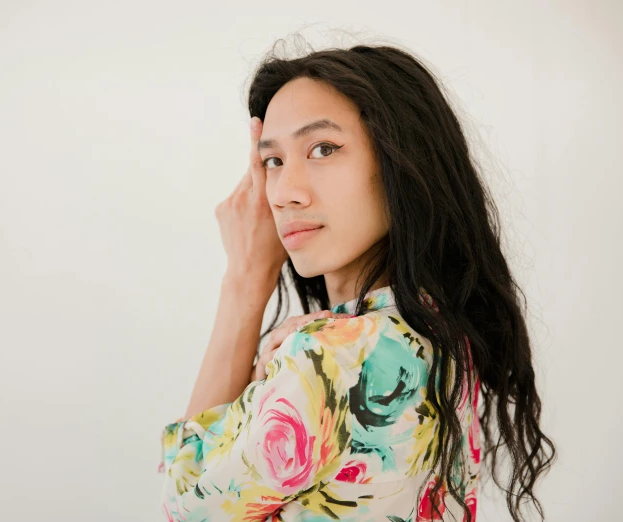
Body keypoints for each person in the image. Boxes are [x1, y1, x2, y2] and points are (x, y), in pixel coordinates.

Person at [157, 43, 556, 522]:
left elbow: (186, 507)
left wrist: (245, 281)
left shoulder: (324, 359)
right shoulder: (446, 334)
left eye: (323, 149)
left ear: (400, 162)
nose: (284, 193)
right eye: (273, 162)